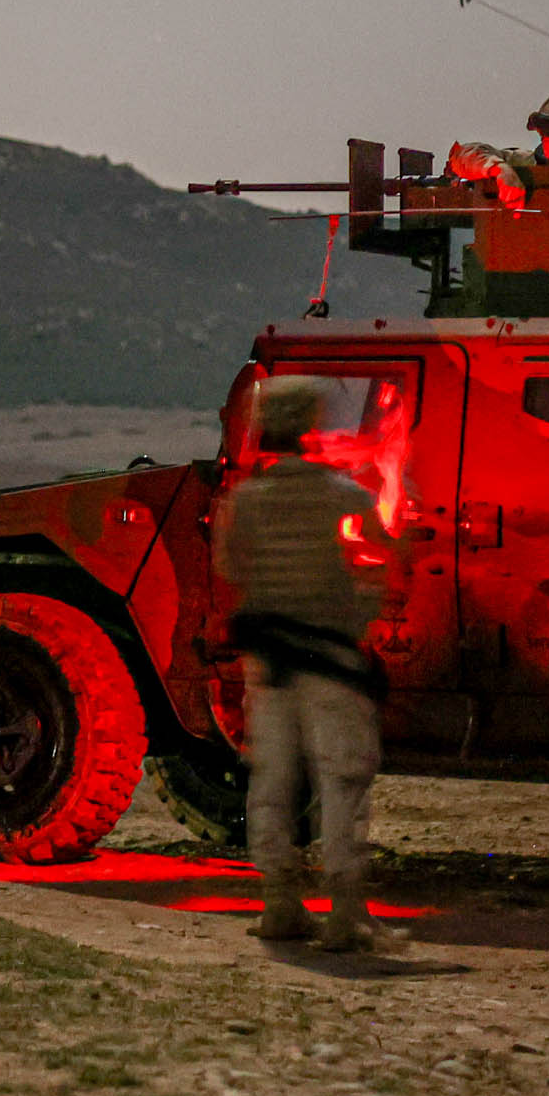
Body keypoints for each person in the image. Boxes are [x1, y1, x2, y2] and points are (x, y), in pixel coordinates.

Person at [213, 375, 409, 953]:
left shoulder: (245, 499)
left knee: (272, 783)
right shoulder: (340, 492)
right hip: (330, 658)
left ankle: (280, 905)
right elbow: (383, 543)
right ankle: (346, 914)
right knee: (342, 780)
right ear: (311, 428)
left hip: (269, 667)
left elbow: (229, 570)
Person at [442, 88, 549, 205]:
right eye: (544, 137)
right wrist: (500, 170)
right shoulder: (526, 163)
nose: (548, 147)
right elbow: (464, 155)